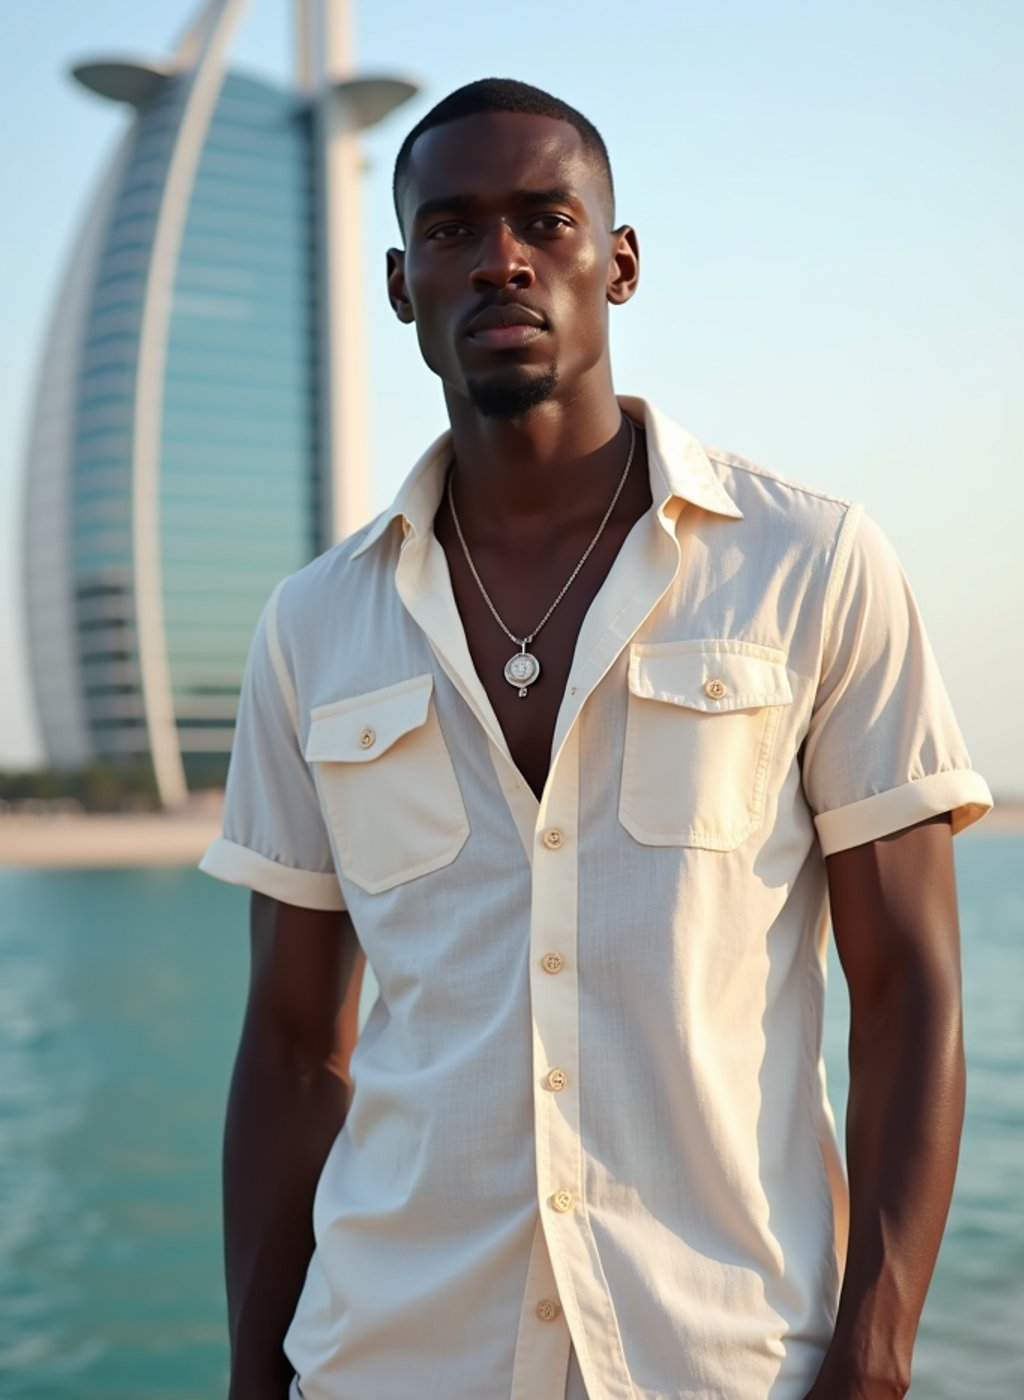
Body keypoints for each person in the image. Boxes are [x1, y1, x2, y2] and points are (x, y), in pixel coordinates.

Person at [200, 78, 992, 1400]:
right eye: (451, 231)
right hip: (392, 1361)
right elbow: (291, 1047)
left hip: (726, 1363)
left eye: (545, 221)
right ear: (402, 287)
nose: (500, 258)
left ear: (618, 264)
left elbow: (910, 987)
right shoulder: (311, 627)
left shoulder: (810, 564)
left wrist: (876, 1355)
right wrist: (250, 1378)